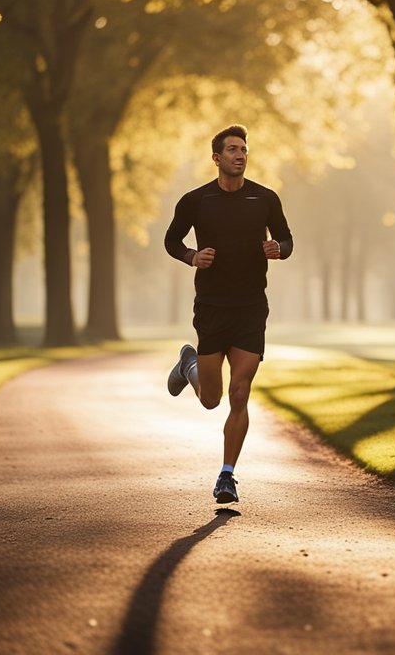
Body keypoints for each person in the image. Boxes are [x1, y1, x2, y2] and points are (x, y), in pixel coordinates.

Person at [164, 124, 293, 505]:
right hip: (212, 309)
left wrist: (278, 249)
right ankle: (189, 363)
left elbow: (287, 237)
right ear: (217, 158)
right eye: (232, 150)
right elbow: (172, 240)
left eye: (244, 149)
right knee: (210, 399)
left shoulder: (265, 198)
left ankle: (227, 476)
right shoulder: (196, 200)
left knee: (240, 393)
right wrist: (192, 256)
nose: (240, 155)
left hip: (251, 309)